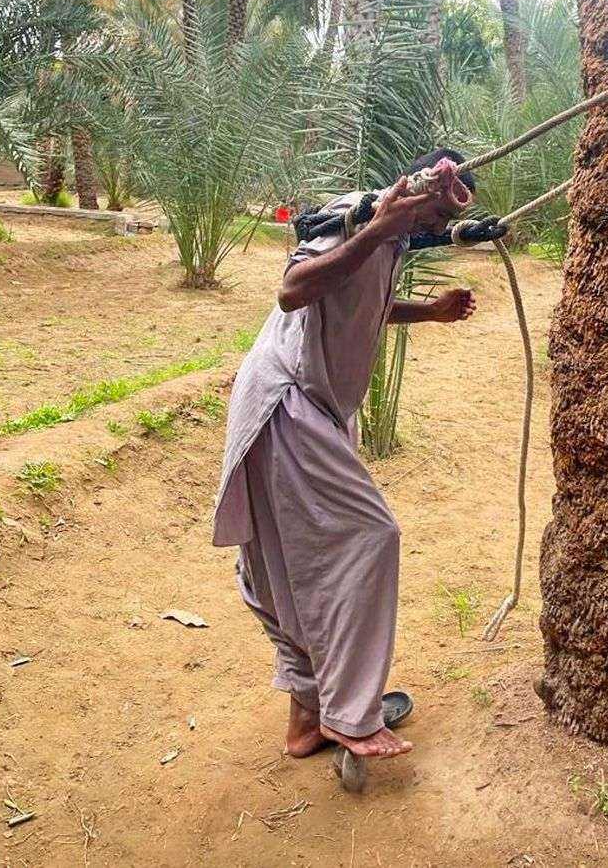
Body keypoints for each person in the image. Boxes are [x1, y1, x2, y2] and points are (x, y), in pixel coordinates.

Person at [212, 149, 478, 762]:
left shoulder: (394, 236)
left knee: (290, 565)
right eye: (438, 204)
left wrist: (429, 312)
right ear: (416, 186)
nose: (439, 222)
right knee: (371, 535)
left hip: (316, 411)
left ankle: (307, 721)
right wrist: (380, 228)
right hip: (287, 403)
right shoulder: (355, 215)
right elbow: (294, 290)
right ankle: (352, 719)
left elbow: (358, 301)